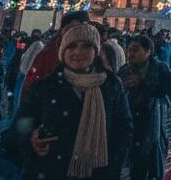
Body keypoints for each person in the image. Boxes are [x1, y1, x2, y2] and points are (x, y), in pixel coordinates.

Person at [7, 22, 132, 180]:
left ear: (96, 51)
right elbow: (20, 127)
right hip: (50, 170)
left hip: (98, 173)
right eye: (72, 46)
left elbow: (123, 129)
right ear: (63, 51)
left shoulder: (110, 85)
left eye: (86, 46)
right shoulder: (46, 86)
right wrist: (31, 140)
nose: (78, 52)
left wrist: (113, 166)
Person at [120, 33, 171, 180]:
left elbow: (169, 90)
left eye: (135, 50)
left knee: (154, 166)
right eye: (129, 50)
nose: (131, 54)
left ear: (148, 51)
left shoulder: (160, 68)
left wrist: (143, 84)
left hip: (154, 123)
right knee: (136, 168)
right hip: (133, 124)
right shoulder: (125, 70)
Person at [22, 10, 89, 93]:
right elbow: (30, 85)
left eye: (82, 29)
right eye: (73, 28)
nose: (76, 33)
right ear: (63, 31)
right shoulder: (48, 53)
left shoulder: (93, 54)